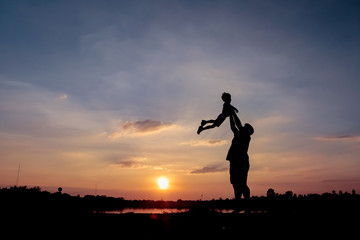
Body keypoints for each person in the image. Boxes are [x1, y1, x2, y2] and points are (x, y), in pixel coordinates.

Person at [226, 111, 254, 200]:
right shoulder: (238, 135)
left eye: (244, 128)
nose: (242, 128)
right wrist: (230, 115)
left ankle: (247, 203)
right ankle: (238, 202)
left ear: (247, 131)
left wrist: (233, 112)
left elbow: (238, 124)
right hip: (234, 161)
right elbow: (233, 127)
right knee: (234, 183)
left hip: (241, 162)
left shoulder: (246, 137)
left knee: (242, 184)